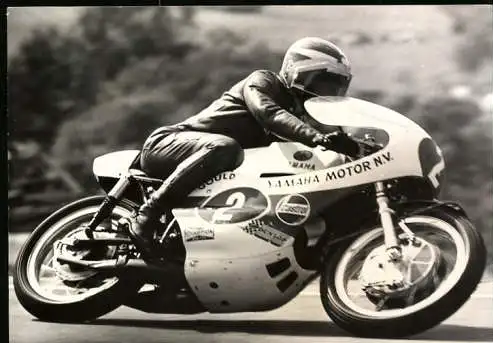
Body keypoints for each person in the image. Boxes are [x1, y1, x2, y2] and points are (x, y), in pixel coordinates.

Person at [126, 37, 370, 260]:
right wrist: (319, 138)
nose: (323, 93)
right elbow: (268, 113)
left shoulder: (300, 119)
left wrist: (354, 150)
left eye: (333, 88)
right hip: (167, 144)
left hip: (210, 165)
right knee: (225, 146)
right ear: (297, 71)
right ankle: (148, 213)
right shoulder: (264, 82)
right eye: (321, 83)